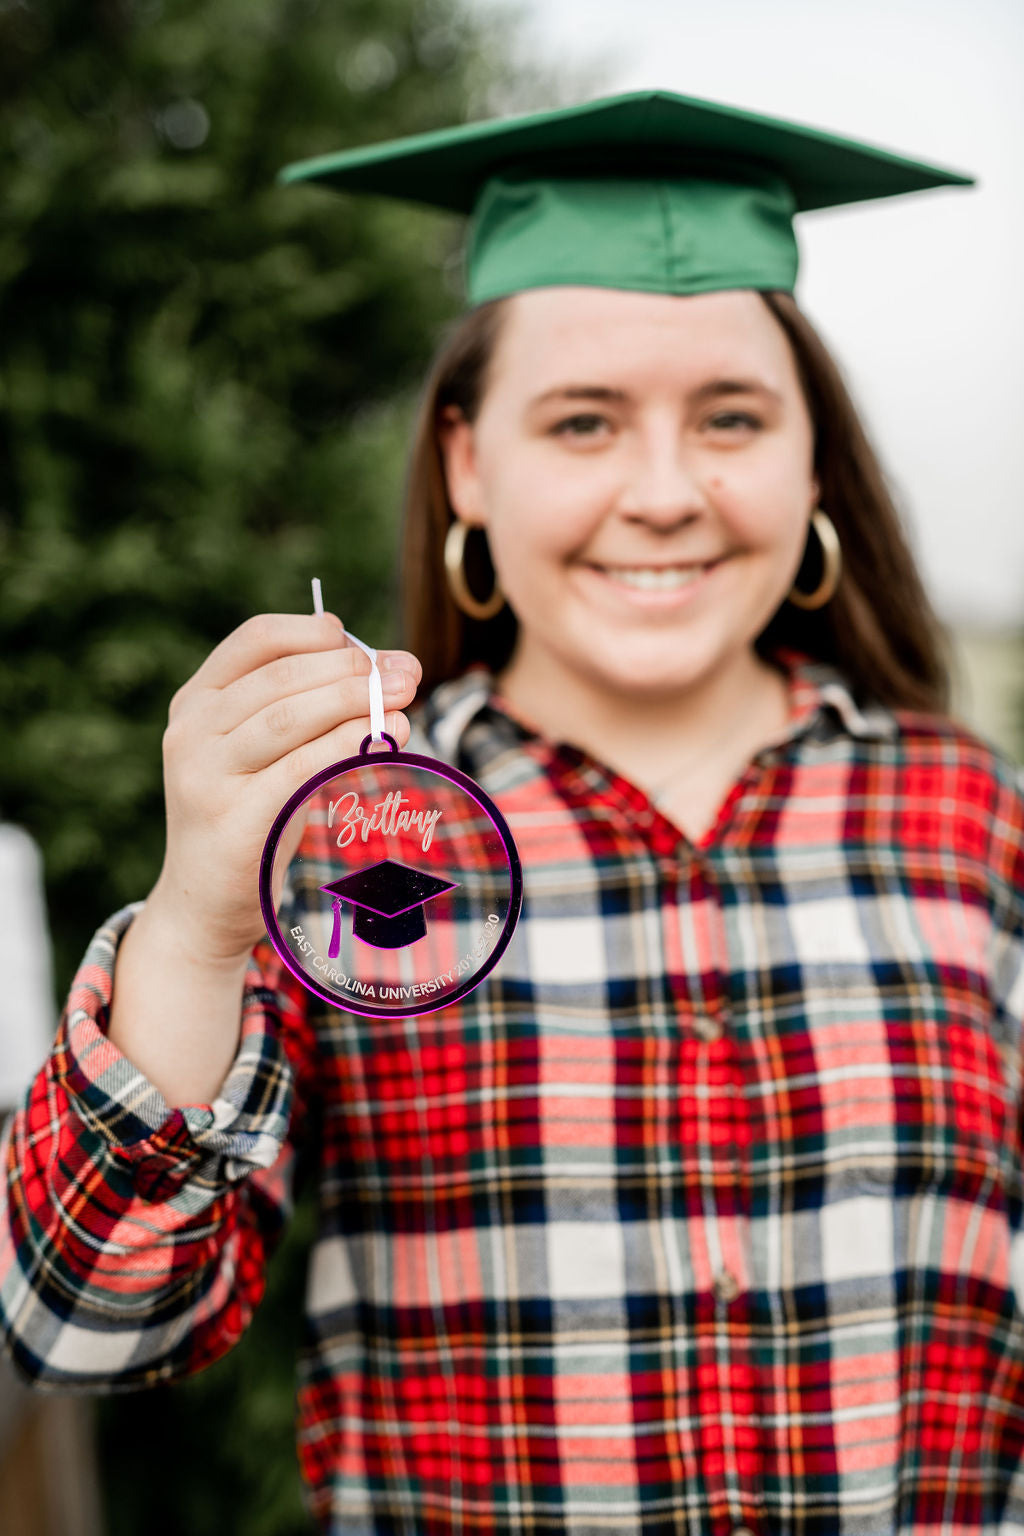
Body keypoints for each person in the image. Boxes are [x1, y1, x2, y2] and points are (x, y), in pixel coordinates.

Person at [2, 86, 1023, 1535]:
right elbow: (83, 1329)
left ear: (812, 463)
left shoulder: (976, 824)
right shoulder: (354, 843)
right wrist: (194, 927)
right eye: (584, 421)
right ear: (470, 463)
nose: (665, 492)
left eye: (731, 417)